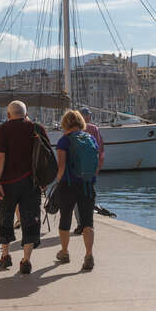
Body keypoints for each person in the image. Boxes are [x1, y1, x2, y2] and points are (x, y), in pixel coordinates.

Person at [0, 100, 49, 274]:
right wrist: (44, 182)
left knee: (6, 217)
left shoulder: (3, 129)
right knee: (30, 219)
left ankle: (5, 256)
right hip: (31, 184)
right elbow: (47, 157)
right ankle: (26, 260)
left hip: (8, 184)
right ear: (26, 114)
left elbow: (0, 157)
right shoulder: (37, 128)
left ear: (9, 115)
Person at [53, 110, 99, 271]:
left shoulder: (64, 141)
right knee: (88, 221)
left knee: (65, 218)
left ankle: (65, 252)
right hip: (87, 185)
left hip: (68, 185)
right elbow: (97, 163)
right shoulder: (91, 138)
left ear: (65, 123)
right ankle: (88, 255)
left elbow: (61, 167)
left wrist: (56, 183)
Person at [72, 107, 105, 235]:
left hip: (75, 172)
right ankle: (87, 224)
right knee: (88, 197)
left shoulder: (71, 130)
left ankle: (81, 223)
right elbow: (99, 149)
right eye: (88, 115)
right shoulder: (93, 129)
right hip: (90, 171)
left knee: (77, 199)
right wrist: (98, 168)